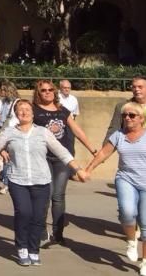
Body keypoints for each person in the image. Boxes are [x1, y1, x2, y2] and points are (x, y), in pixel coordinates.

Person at [0, 100, 88, 266]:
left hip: (41, 180)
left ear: (33, 113)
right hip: (18, 180)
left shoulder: (43, 132)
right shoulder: (9, 133)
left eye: (27, 109)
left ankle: (33, 249)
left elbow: (62, 152)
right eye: (20, 110)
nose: (24, 112)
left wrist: (78, 169)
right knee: (23, 213)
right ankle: (22, 247)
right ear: (16, 114)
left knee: (38, 217)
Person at [85, 101, 146, 275]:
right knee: (127, 211)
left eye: (132, 115)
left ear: (142, 118)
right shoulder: (118, 135)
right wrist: (88, 170)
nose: (127, 118)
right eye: (124, 115)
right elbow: (103, 153)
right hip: (126, 179)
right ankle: (131, 241)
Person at [32, 78, 98, 246]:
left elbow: (77, 130)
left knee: (58, 196)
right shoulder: (34, 110)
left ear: (55, 92)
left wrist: (92, 149)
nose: (47, 92)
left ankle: (58, 233)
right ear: (38, 93)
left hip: (62, 158)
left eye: (50, 90)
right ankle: (41, 232)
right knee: (46, 194)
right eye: (43, 90)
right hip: (42, 157)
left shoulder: (63, 110)